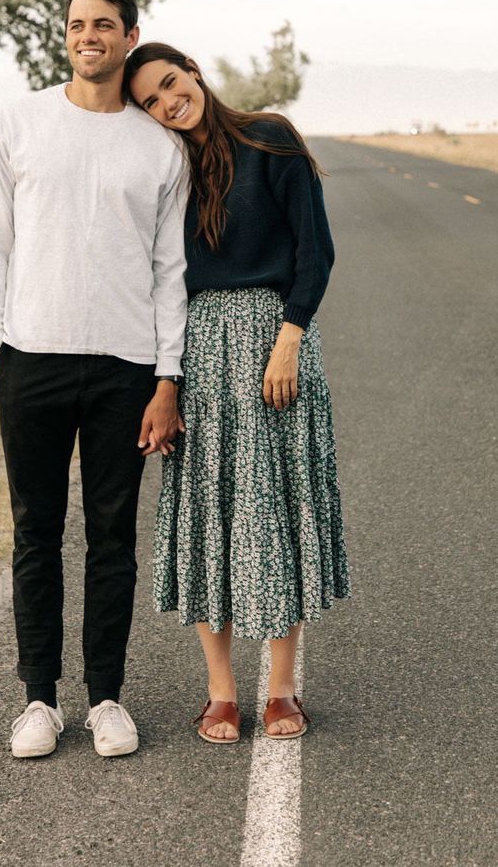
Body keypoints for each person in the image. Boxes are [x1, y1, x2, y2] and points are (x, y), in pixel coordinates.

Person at [0, 0, 187, 759]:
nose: (87, 36)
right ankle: (38, 700)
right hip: (31, 359)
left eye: (104, 25)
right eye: (76, 25)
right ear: (64, 36)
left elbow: (170, 271)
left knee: (112, 538)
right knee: (35, 532)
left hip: (128, 369)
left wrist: (168, 376)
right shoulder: (18, 122)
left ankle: (105, 699)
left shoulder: (158, 147)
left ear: (131, 36)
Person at [123, 42, 351, 743]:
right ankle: (221, 692)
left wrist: (287, 341)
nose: (169, 103)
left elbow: (316, 249)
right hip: (199, 352)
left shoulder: (269, 138)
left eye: (170, 84)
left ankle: (283, 689)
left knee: (278, 506)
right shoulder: (165, 168)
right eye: (151, 102)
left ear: (192, 70)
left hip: (276, 343)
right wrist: (164, 380)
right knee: (209, 511)